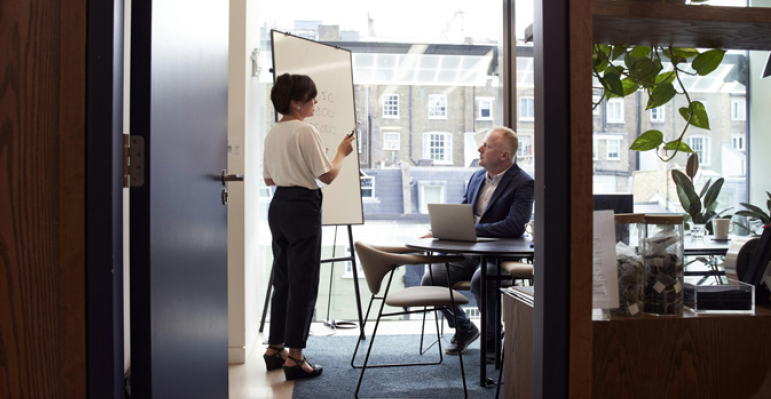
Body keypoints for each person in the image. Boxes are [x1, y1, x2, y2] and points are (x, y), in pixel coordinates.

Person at [262, 73, 355, 380]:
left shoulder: (273, 132)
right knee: (303, 282)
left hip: (278, 207)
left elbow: (269, 179)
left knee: (284, 280)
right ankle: (296, 358)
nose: (315, 102)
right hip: (302, 207)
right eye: (312, 97)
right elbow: (327, 176)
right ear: (296, 103)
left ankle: (275, 349)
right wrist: (341, 152)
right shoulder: (305, 130)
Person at [420, 126, 534, 363]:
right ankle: (464, 328)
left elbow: (513, 226)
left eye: (487, 146)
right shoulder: (475, 178)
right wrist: (440, 230)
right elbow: (463, 214)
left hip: (500, 256)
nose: (480, 149)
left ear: (504, 155)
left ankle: (492, 339)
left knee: (481, 281)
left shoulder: (523, 183)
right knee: (431, 280)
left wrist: (471, 231)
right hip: (469, 252)